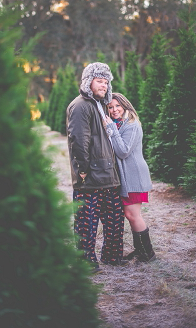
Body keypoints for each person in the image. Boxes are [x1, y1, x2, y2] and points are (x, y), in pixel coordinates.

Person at [66, 62, 124, 273]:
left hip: (108, 174)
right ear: (88, 81)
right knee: (86, 222)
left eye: (107, 82)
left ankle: (112, 256)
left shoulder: (100, 105)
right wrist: (82, 169)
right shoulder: (81, 105)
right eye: (100, 81)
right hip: (90, 177)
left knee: (115, 218)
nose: (105, 86)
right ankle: (86, 262)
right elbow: (78, 140)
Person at [104, 93, 156, 263]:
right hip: (125, 177)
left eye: (117, 106)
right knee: (130, 214)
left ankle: (148, 254)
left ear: (125, 106)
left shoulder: (131, 125)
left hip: (134, 176)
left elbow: (123, 151)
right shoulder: (119, 125)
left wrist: (111, 129)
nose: (114, 110)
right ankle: (141, 251)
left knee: (133, 215)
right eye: (110, 107)